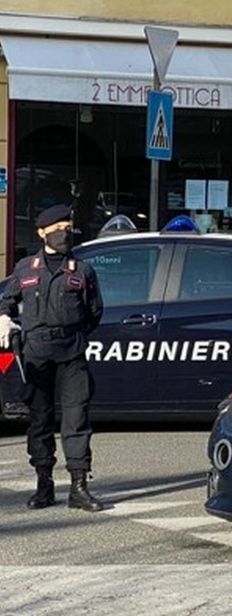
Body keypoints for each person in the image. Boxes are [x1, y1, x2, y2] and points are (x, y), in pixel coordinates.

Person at [0, 204, 105, 512]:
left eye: (67, 228)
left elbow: (94, 312)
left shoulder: (82, 270)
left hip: (71, 352)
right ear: (42, 232)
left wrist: (75, 334)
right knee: (40, 421)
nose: (64, 233)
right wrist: (4, 319)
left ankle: (79, 487)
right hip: (36, 356)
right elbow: (6, 301)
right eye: (58, 228)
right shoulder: (25, 268)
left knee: (77, 421)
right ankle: (43, 485)